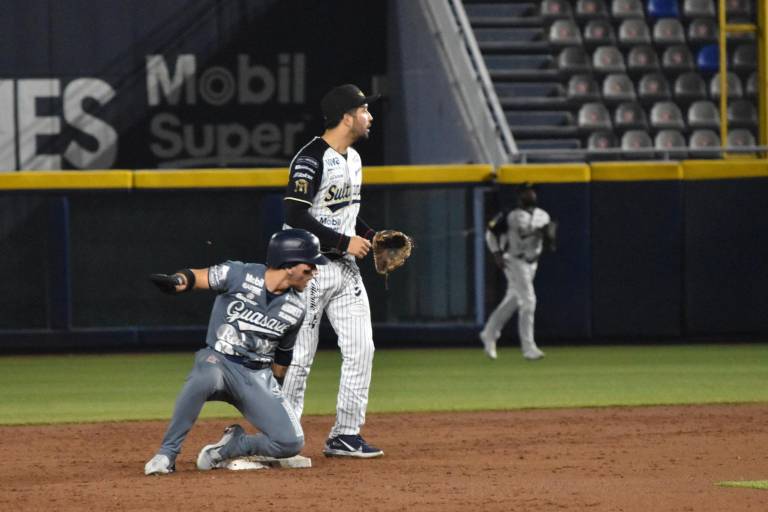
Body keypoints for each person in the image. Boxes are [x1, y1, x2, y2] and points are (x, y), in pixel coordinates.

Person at [143, 228, 328, 475]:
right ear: (288, 264)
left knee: (290, 442)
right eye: (309, 267)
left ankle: (231, 446)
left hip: (257, 376)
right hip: (218, 362)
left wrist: (273, 397)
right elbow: (196, 277)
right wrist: (177, 282)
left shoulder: (297, 308)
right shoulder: (239, 273)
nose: (314, 273)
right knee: (203, 377)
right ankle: (167, 454)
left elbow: (284, 353)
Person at [280, 83, 383, 458]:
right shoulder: (310, 158)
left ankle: (345, 434)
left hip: (346, 271)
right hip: (307, 270)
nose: (370, 116)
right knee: (299, 358)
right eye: (365, 111)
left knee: (362, 350)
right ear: (347, 116)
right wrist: (343, 242)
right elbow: (294, 213)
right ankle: (283, 436)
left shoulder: (353, 159)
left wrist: (371, 236)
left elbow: (346, 213)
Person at [479, 183, 556, 361]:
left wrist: (549, 235)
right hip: (514, 260)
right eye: (526, 191)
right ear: (519, 195)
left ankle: (489, 333)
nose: (530, 194)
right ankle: (529, 348)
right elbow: (490, 232)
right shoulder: (510, 214)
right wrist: (496, 253)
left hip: (532, 263)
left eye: (532, 191)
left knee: (514, 299)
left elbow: (550, 243)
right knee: (529, 301)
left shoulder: (543, 215)